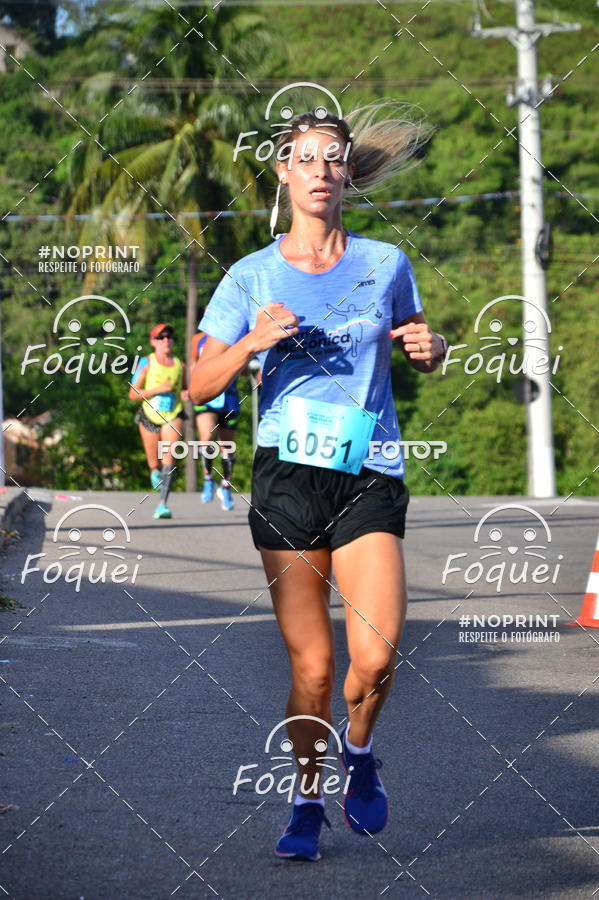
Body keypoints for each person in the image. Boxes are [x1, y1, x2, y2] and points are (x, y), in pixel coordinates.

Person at [190, 102, 447, 861]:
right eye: (304, 157)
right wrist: (252, 346)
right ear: (283, 171)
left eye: (331, 158)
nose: (320, 170)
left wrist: (431, 348)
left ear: (346, 173)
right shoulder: (250, 275)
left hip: (368, 472)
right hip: (287, 480)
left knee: (374, 657)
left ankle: (359, 755)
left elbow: (419, 344)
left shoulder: (384, 263)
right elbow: (200, 384)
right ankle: (306, 797)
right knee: (313, 667)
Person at [129, 323, 188, 519]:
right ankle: (154, 471)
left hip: (173, 414)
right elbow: (132, 393)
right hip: (149, 416)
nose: (166, 340)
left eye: (169, 336)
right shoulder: (146, 363)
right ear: (153, 342)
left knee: (168, 459)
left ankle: (162, 504)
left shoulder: (180, 365)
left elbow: (185, 390)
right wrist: (157, 390)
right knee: (154, 462)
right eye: (161, 337)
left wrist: (188, 394)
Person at [190, 326, 240, 511]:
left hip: (229, 398)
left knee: (227, 446)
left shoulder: (235, 336)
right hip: (207, 396)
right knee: (206, 437)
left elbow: (242, 365)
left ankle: (226, 486)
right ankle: (208, 479)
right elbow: (194, 364)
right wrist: (190, 387)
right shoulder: (198, 339)